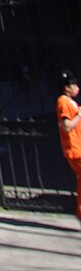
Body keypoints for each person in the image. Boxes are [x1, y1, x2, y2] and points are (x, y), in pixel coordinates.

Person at [56, 73, 81, 221]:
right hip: (74, 148)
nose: (77, 88)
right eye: (74, 85)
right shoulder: (63, 102)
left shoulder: (70, 102)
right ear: (66, 88)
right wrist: (79, 115)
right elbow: (66, 126)